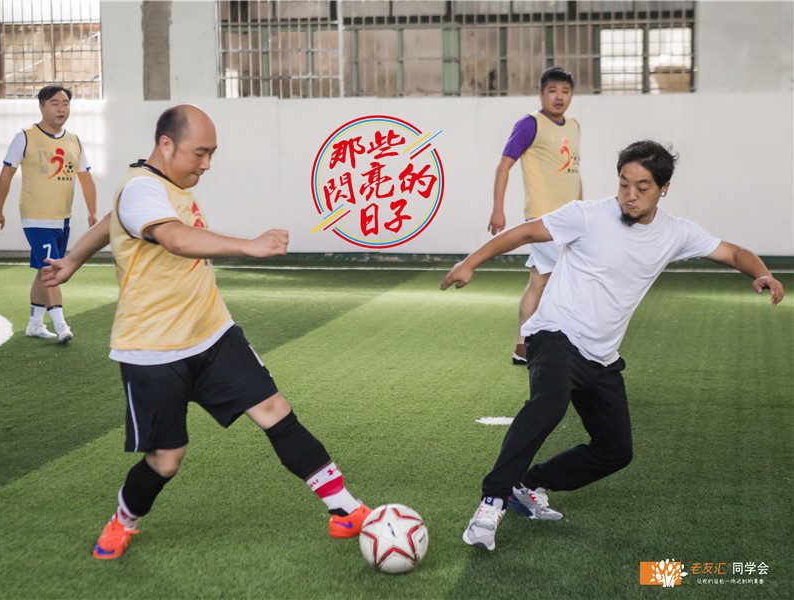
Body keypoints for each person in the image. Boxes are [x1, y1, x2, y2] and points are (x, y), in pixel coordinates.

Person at [41, 104, 371, 560]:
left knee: (274, 410)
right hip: (153, 351)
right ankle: (124, 520)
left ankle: (345, 509)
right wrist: (250, 246)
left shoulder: (161, 188)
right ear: (166, 144)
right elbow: (175, 239)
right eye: (200, 153)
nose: (207, 164)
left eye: (212, 153)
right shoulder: (142, 189)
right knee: (166, 459)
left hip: (213, 333)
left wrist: (74, 258)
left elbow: (109, 222)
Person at [442, 140, 784, 551]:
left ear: (664, 188)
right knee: (549, 404)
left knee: (615, 451)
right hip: (555, 333)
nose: (629, 195)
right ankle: (492, 501)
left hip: (601, 356)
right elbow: (525, 232)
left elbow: (733, 252)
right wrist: (470, 262)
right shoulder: (587, 216)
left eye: (642, 187)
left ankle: (529, 484)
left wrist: (762, 272)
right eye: (623, 184)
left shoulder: (676, 233)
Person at [488, 67, 582, 365]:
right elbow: (504, 166)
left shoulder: (574, 126)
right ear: (541, 94)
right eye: (552, 90)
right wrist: (498, 209)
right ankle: (567, 344)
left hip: (570, 219)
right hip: (543, 217)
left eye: (565, 91)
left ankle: (522, 347)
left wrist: (582, 210)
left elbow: (574, 173)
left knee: (539, 281)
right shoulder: (530, 124)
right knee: (572, 278)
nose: (559, 96)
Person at [0, 85, 98, 343]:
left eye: (65, 103)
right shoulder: (24, 137)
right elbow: (6, 175)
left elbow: (86, 178)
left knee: (43, 269)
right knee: (51, 270)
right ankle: (61, 326)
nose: (61, 109)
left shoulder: (74, 140)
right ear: (41, 106)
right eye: (54, 103)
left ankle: (35, 323)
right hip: (35, 218)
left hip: (62, 219)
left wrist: (93, 212)